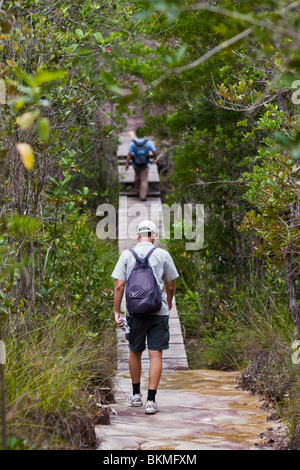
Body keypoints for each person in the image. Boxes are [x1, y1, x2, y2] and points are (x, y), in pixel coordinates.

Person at [111, 220, 179, 414]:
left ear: (137, 236)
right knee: (155, 354)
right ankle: (151, 401)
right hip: (159, 311)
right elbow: (171, 285)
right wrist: (170, 302)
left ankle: (135, 396)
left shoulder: (126, 255)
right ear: (154, 235)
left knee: (135, 351)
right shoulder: (163, 254)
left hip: (134, 312)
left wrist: (117, 311)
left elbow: (119, 286)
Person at [125, 128, 157, 201]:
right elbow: (155, 152)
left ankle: (137, 190)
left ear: (136, 134)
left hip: (135, 164)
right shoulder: (148, 142)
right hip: (145, 164)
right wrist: (155, 158)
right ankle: (143, 196)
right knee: (144, 180)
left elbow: (129, 154)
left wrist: (127, 163)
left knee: (137, 177)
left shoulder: (133, 143)